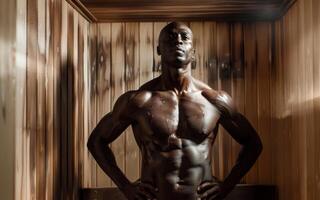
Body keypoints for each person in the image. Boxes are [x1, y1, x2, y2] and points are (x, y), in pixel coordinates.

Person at [87, 22, 262, 200]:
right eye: (170, 38)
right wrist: (126, 187)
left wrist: (226, 186)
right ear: (158, 50)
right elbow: (96, 141)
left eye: (184, 38)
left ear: (193, 52)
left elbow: (253, 143)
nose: (178, 41)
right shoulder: (139, 100)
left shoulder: (214, 101)